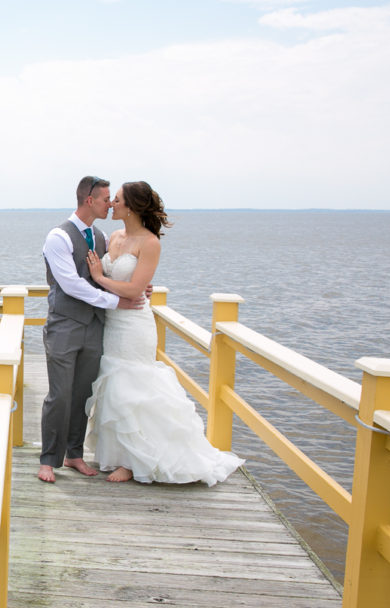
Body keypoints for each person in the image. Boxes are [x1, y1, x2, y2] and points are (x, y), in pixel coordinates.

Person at [83, 181, 243, 485]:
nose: (111, 204)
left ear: (130, 207)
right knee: (114, 386)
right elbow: (123, 283)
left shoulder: (150, 243)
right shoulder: (113, 237)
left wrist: (100, 277)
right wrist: (102, 279)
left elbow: (132, 289)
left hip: (134, 326)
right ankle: (120, 455)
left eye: (116, 200)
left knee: (134, 387)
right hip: (111, 323)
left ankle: (134, 462)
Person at [38, 176, 145, 484]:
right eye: (105, 199)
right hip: (65, 326)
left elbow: (108, 273)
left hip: (95, 327)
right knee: (60, 394)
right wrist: (115, 301)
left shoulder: (100, 236)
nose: (110, 204)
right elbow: (70, 284)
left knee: (83, 395)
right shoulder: (58, 236)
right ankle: (48, 459)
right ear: (89, 200)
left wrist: (137, 287)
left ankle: (73, 454)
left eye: (113, 199)